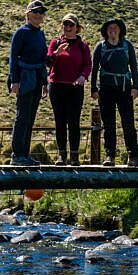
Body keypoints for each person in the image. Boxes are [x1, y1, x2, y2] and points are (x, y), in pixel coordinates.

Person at [90, 17, 138, 167]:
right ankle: (110, 156)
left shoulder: (127, 46)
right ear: (106, 32)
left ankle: (133, 156)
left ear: (120, 30)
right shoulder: (100, 47)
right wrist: (93, 88)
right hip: (105, 90)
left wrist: (136, 87)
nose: (112, 31)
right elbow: (94, 69)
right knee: (109, 124)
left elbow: (134, 66)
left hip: (125, 88)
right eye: (110, 29)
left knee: (128, 123)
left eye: (115, 28)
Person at [47, 13, 92, 165]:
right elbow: (48, 63)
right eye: (65, 24)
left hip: (75, 88)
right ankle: (61, 155)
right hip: (57, 86)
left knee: (74, 122)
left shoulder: (83, 46)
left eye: (71, 25)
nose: (67, 28)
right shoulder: (56, 42)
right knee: (60, 122)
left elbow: (88, 65)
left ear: (77, 28)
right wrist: (56, 54)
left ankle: (74, 156)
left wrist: (83, 76)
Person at [8, 0, 48, 166]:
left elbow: (42, 59)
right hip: (25, 78)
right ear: (28, 14)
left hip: (37, 79)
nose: (39, 15)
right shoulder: (21, 32)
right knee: (22, 116)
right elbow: (13, 57)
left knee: (30, 117)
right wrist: (14, 81)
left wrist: (45, 82)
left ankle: (24, 154)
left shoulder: (40, 34)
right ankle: (17, 155)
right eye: (36, 12)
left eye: (41, 12)